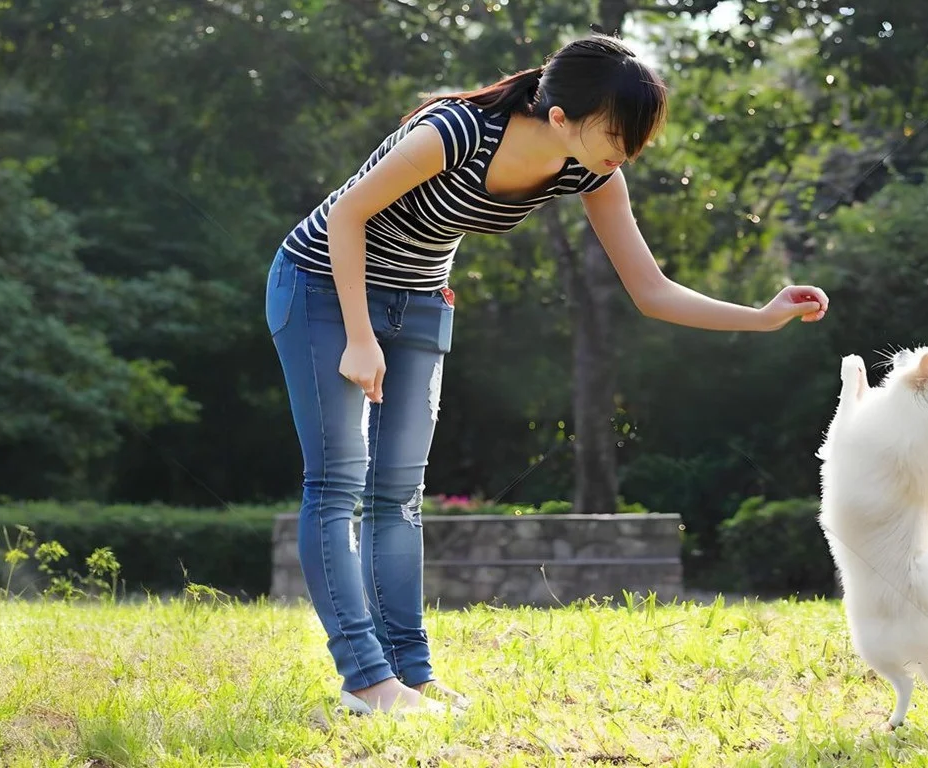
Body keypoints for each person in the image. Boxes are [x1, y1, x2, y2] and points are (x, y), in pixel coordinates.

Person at [263, 34, 830, 717]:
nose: (625, 154)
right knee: (337, 484)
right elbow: (349, 212)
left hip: (418, 297)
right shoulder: (455, 132)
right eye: (618, 134)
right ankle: (365, 680)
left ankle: (409, 675)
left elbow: (649, 290)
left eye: (634, 140)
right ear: (561, 117)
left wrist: (761, 316)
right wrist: (358, 337)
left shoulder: (589, 170)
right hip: (324, 283)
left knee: (399, 496)